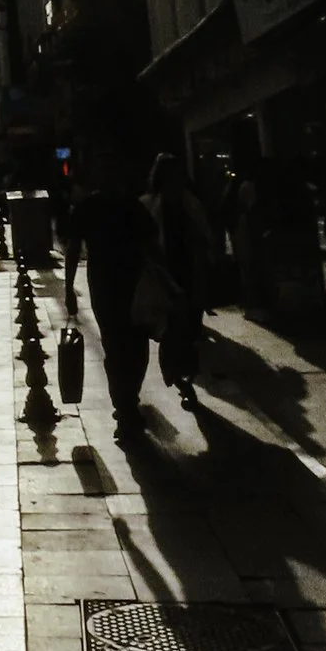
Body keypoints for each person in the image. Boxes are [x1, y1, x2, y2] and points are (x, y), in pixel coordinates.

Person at [62, 165, 153, 444]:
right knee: (132, 346)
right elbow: (153, 243)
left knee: (120, 347)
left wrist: (68, 287)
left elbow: (74, 248)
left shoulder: (93, 207)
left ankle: (125, 406)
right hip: (123, 282)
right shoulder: (128, 205)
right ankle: (126, 406)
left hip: (110, 283)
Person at [145, 153, 215, 411]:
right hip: (164, 277)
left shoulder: (190, 204)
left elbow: (205, 236)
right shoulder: (151, 205)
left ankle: (187, 379)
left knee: (190, 333)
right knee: (172, 333)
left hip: (190, 275)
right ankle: (180, 380)